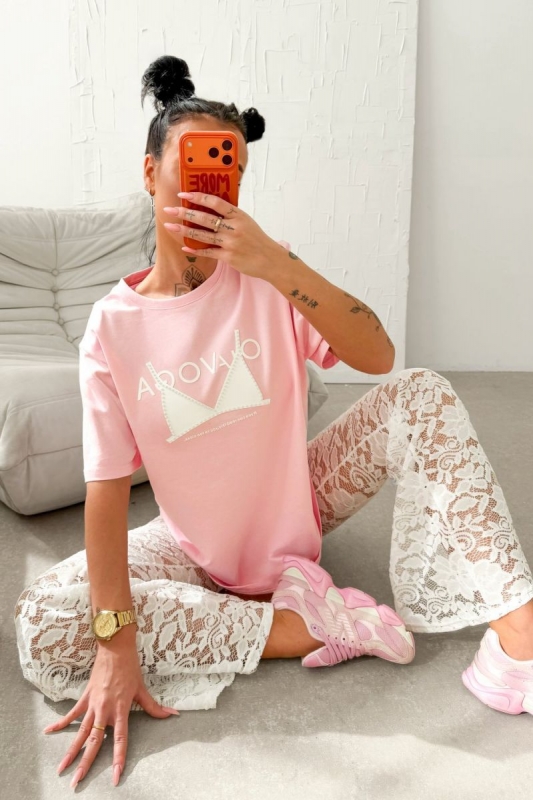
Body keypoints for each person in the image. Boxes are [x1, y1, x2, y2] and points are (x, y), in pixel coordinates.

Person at [14, 54, 533, 790]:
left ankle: (518, 642)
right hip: (190, 543)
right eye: (191, 166)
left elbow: (379, 356)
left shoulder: (267, 274)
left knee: (420, 393)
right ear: (149, 173)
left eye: (226, 172)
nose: (208, 189)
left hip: (302, 503)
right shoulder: (112, 327)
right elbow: (104, 492)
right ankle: (303, 625)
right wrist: (116, 643)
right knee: (43, 620)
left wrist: (275, 266)